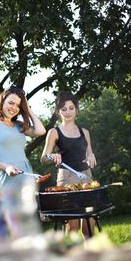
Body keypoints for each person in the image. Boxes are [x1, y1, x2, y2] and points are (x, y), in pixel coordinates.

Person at [41, 91, 97, 239]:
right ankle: (71, 257)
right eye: (63, 109)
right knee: (71, 225)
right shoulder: (54, 132)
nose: (68, 112)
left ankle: (90, 258)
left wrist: (91, 157)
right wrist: (51, 156)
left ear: (76, 109)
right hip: (66, 178)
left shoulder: (84, 132)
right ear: (58, 112)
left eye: (71, 108)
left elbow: (89, 154)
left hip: (86, 176)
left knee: (89, 222)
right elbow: (43, 158)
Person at [0, 85, 46, 189]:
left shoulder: (19, 125)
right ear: (2, 101)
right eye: (11, 103)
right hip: (8, 179)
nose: (14, 108)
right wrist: (6, 167)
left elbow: (41, 131)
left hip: (27, 178)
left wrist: (27, 107)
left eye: (18, 105)